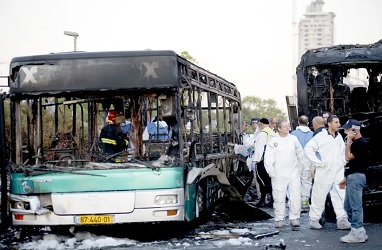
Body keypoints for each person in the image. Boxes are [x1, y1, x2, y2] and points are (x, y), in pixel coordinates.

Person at [304, 115, 351, 230]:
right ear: (329, 123)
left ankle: (342, 220)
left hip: (338, 171)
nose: (338, 124)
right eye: (336, 122)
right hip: (324, 171)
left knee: (340, 195)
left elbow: (342, 151)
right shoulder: (321, 136)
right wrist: (318, 162)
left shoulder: (339, 137)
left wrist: (343, 162)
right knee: (319, 195)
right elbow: (308, 149)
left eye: (338, 122)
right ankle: (314, 219)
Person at [265, 121, 308, 228]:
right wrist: (270, 170)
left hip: (293, 172)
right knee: (279, 196)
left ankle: (294, 217)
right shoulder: (273, 141)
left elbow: (300, 155)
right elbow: (268, 157)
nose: (287, 128)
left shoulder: (293, 139)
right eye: (284, 126)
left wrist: (302, 168)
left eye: (288, 126)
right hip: (278, 173)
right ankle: (279, 218)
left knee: (295, 195)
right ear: (278, 128)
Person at [339, 119, 369, 243]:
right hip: (353, 176)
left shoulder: (360, 143)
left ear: (354, 130)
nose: (345, 132)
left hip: (356, 177)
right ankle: (356, 229)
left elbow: (348, 157)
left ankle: (358, 232)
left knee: (355, 206)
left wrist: (349, 142)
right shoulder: (357, 143)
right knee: (348, 206)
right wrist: (346, 177)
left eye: (347, 129)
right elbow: (353, 163)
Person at [290, 115, 313, 212]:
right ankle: (305, 202)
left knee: (295, 182)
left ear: (298, 122)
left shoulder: (293, 134)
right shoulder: (312, 134)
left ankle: (295, 202)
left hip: (296, 161)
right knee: (307, 181)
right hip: (308, 161)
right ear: (308, 123)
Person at [252, 118, 276, 207]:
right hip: (272, 160)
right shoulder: (272, 133)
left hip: (262, 161)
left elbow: (259, 149)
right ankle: (270, 199)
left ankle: (265, 200)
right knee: (269, 180)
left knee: (262, 180)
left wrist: (256, 160)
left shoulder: (262, 134)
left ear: (261, 124)